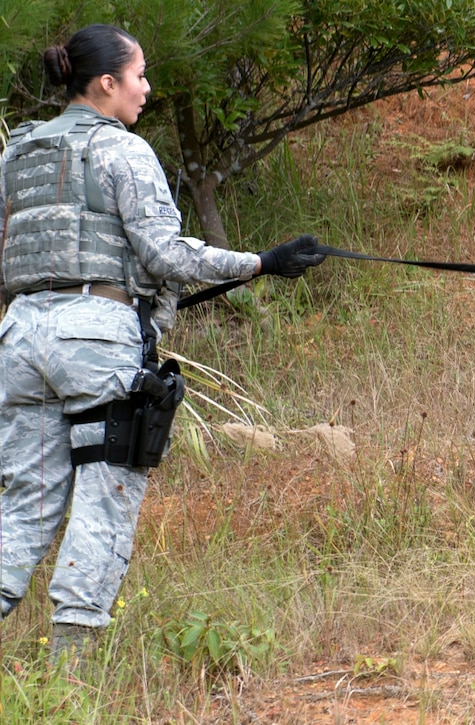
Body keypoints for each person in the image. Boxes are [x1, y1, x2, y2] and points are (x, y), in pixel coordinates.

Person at [0, 24, 326, 663]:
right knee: (106, 494)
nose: (146, 89)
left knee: (24, 506)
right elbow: (165, 253)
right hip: (93, 341)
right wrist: (260, 262)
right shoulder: (125, 151)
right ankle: (69, 677)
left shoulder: (16, 155)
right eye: (139, 75)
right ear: (106, 83)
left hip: (18, 340)